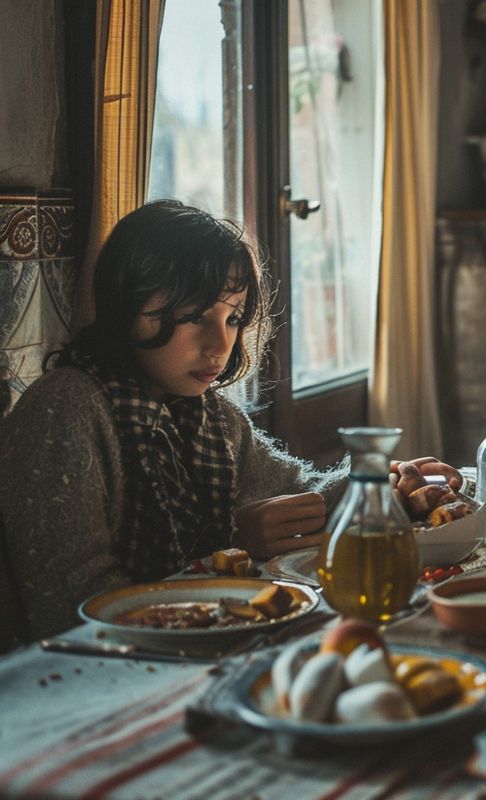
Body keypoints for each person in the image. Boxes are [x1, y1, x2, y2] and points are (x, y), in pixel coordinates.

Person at [0, 200, 458, 639]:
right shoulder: (66, 409)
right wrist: (228, 542)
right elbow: (76, 610)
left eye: (234, 318)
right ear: (125, 306)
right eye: (194, 316)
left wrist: (380, 488)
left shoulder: (210, 416)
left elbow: (299, 496)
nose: (219, 344)